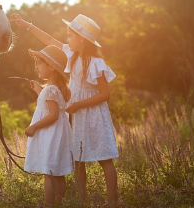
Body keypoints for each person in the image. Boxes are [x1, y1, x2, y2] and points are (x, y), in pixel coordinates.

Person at [11, 13, 119, 206]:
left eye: (70, 36)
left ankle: (113, 201)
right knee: (78, 159)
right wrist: (27, 25)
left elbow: (105, 94)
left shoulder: (96, 63)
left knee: (104, 158)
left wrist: (79, 104)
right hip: (76, 115)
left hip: (94, 114)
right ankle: (81, 199)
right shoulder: (71, 55)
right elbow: (49, 40)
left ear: (81, 39)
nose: (67, 39)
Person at [23, 45, 74, 206]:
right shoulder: (54, 89)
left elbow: (53, 115)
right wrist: (39, 91)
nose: (36, 67)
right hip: (57, 133)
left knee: (49, 173)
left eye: (40, 63)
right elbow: (51, 107)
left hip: (52, 134)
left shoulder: (51, 89)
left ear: (51, 66)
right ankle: (59, 203)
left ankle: (51, 205)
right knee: (57, 173)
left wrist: (34, 126)